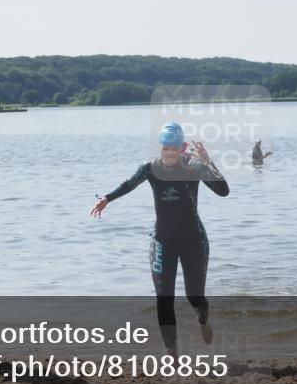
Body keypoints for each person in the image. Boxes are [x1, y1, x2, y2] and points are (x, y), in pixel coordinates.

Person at [90, 122, 229, 355]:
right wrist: (107, 198)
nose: (169, 154)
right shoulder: (150, 168)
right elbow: (128, 184)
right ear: (160, 148)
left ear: (182, 147)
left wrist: (209, 163)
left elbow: (223, 191)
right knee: (164, 298)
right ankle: (172, 356)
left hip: (193, 241)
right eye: (165, 149)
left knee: (194, 298)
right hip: (163, 240)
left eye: (173, 149)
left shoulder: (194, 166)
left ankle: (202, 318)